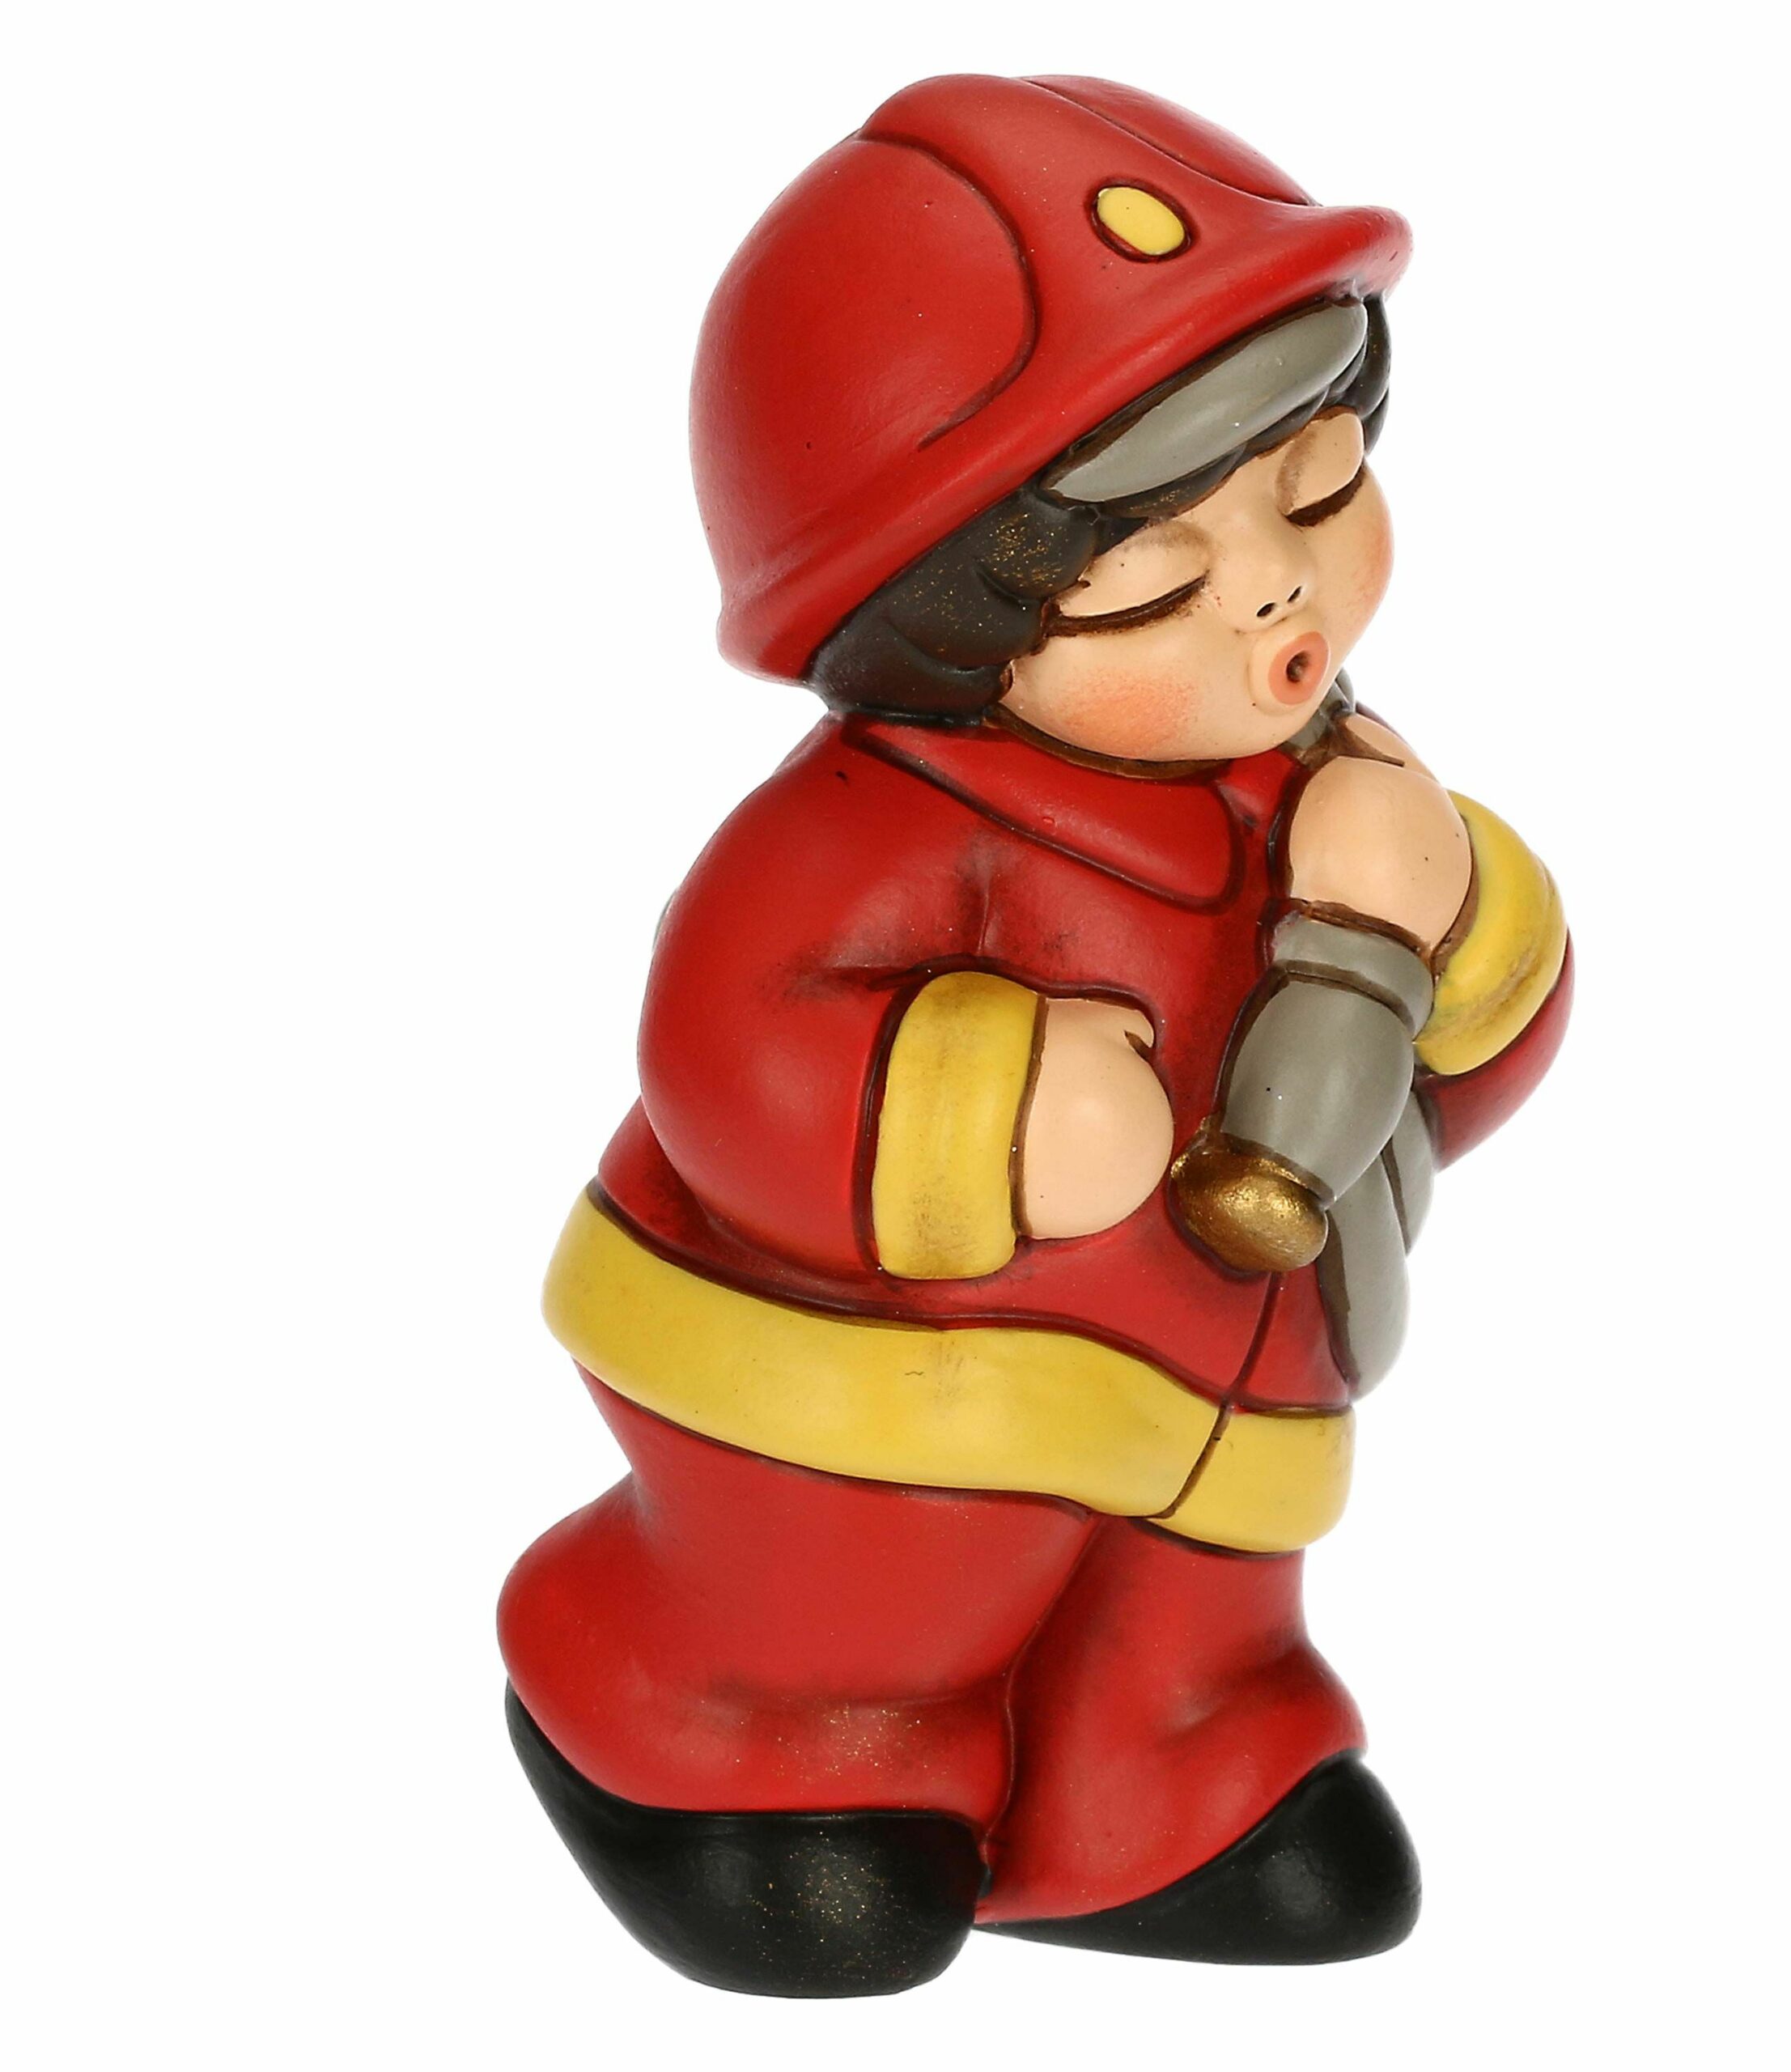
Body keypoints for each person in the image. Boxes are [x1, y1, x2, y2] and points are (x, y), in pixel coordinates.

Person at [499, 72, 1572, 1998]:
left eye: (1317, 487)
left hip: (1238, 1357)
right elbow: (731, 1045)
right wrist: (977, 1104)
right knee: (880, 1590)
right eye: (1155, 577)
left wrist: (1450, 918)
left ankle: (1169, 1774)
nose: (1277, 589)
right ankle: (732, 1740)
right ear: (942, 620)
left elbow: (1446, 1089)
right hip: (878, 1396)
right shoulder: (868, 834)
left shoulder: (1329, 779)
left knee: (1193, 1601)